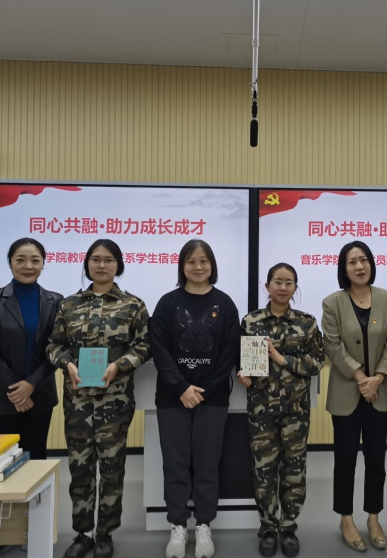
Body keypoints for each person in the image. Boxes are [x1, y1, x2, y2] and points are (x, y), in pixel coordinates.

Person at [47, 239, 150, 558]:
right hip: (77, 399)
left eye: (108, 260)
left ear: (118, 265)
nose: (101, 265)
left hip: (115, 401)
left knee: (112, 468)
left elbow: (145, 346)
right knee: (80, 468)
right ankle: (82, 534)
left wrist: (121, 364)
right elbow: (53, 345)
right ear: (87, 264)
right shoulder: (68, 305)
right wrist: (67, 363)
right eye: (95, 259)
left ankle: (105, 533)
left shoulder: (133, 305)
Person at [150, 239, 240, 558]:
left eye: (204, 261)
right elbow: (159, 349)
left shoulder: (225, 304)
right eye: (191, 261)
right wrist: (181, 388)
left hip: (212, 398)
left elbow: (230, 351)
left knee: (206, 463)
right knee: (175, 464)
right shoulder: (167, 303)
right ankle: (177, 525)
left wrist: (205, 389)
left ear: (212, 265)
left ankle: (203, 524)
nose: (198, 267)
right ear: (182, 266)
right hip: (172, 397)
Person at [0, 238, 63, 558]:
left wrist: (31, 386)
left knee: (34, 464)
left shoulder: (56, 301)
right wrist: (17, 389)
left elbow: (56, 350)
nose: (28, 266)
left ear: (43, 263)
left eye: (35, 260)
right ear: (10, 262)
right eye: (21, 259)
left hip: (39, 399)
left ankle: (31, 529)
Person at [236, 263, 325, 558]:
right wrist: (242, 373)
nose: (283, 287)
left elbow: (317, 361)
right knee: (263, 471)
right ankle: (267, 528)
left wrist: (283, 359)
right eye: (278, 281)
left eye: (289, 283)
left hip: (295, 411)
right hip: (261, 409)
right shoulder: (250, 321)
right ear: (267, 286)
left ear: (295, 288)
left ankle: (288, 528)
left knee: (294, 471)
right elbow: (240, 358)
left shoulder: (307, 323)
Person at [321, 240, 387, 553]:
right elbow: (333, 345)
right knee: (344, 461)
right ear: (344, 268)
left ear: (371, 264)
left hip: (379, 392)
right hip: (347, 393)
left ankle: (374, 518)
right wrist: (361, 378)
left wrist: (377, 378)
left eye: (364, 260)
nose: (359, 266)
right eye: (352, 261)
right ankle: (346, 519)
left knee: (376, 460)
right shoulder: (332, 302)